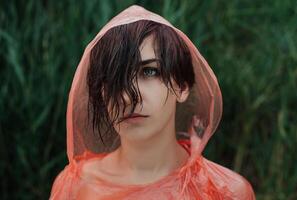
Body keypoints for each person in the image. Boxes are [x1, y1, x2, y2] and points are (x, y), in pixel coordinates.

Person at [49, 5, 255, 199]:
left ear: (182, 85)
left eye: (149, 71)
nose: (127, 96)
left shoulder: (225, 191)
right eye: (113, 78)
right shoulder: (76, 187)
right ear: (102, 93)